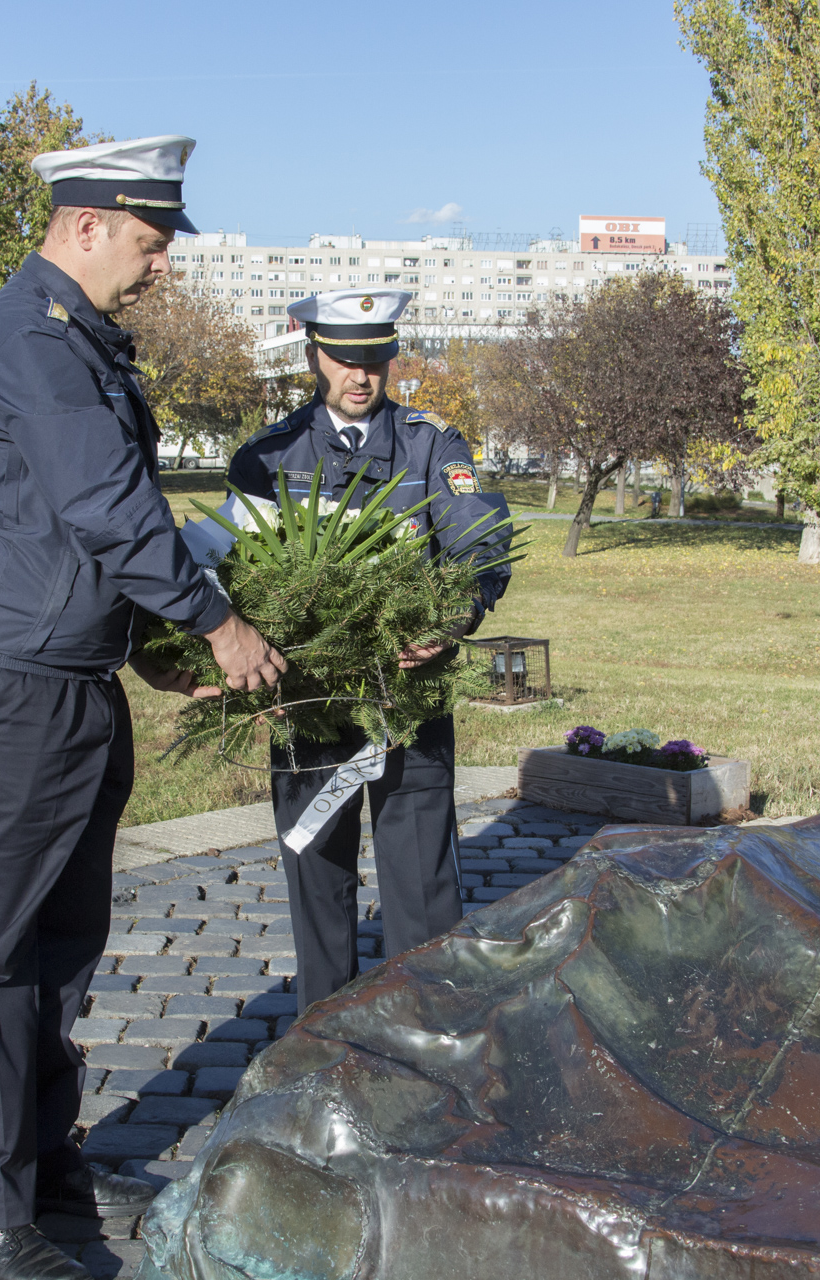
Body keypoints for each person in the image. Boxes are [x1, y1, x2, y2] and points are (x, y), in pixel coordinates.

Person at [0, 135, 285, 1280]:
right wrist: (215, 622)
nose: (160, 266)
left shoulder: (77, 340)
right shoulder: (35, 338)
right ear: (84, 226)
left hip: (66, 675)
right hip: (5, 680)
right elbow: (110, 506)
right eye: (150, 242)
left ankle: (42, 1164)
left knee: (61, 944)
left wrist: (144, 646)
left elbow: (75, 526)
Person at [226, 288, 512, 1014]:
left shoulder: (431, 445)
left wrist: (453, 618)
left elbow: (477, 543)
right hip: (309, 698)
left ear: (391, 358)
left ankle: (426, 1032)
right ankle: (323, 1036)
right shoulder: (268, 457)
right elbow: (233, 573)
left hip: (406, 699)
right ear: (314, 357)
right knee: (316, 879)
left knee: (422, 888)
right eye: (344, 359)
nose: (360, 375)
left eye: (375, 359)